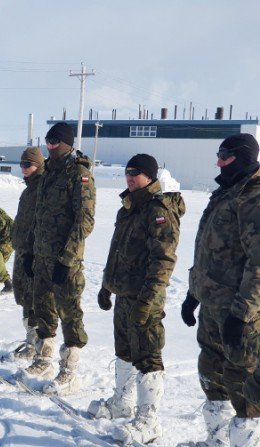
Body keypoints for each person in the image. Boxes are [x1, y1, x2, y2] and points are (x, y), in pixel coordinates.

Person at [87, 154, 185, 444]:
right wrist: (107, 285)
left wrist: (149, 300)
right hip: (125, 294)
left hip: (145, 298)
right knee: (125, 351)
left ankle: (148, 420)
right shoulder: (129, 208)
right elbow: (116, 250)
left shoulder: (159, 210)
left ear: (150, 176)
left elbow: (163, 260)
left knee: (148, 356)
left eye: (136, 173)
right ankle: (122, 403)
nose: (130, 177)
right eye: (127, 172)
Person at [181, 133, 259, 446]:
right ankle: (217, 440)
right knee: (212, 377)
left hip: (239, 311)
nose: (218, 162)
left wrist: (241, 315)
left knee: (243, 388)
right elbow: (209, 250)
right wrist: (192, 293)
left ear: (241, 157)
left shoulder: (253, 197)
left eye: (224, 156)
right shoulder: (227, 192)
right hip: (212, 306)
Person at [22, 122, 96, 396]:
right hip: (41, 256)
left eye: (56, 141)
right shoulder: (49, 173)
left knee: (70, 314)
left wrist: (67, 259)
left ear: (66, 142)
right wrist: (29, 251)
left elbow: (84, 221)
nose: (50, 145)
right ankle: (44, 360)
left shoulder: (79, 175)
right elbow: (38, 218)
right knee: (43, 309)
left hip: (65, 261)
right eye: (48, 141)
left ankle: (70, 372)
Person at [9, 147, 44, 360]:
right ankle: (29, 339)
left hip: (34, 253)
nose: (23, 169)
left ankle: (35, 344)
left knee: (33, 300)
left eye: (27, 165)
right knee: (23, 296)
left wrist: (33, 250)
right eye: (21, 165)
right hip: (22, 250)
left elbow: (40, 223)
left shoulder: (42, 187)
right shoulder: (29, 188)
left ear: (38, 165)